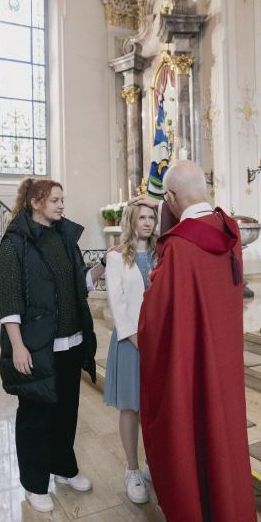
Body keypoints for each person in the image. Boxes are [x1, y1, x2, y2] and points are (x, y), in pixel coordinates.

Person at [137, 161, 257, 522]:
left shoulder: (181, 246)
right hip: (224, 364)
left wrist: (150, 292)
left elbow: (156, 320)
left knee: (190, 440)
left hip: (190, 366)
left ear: (170, 199)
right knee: (221, 442)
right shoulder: (230, 231)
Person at [0, 178, 106, 513]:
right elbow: (9, 299)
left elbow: (79, 284)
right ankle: (34, 484)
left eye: (62, 199)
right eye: (55, 200)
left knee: (66, 410)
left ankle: (63, 467)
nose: (61, 205)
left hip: (71, 342)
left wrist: (103, 265)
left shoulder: (64, 238)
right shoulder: (15, 243)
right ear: (36, 202)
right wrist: (18, 346)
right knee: (36, 415)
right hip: (36, 345)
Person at [104, 204, 157, 504]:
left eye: (151, 217)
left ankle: (151, 464)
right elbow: (118, 302)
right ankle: (132, 469)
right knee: (130, 406)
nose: (147, 223)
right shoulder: (117, 256)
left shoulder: (161, 254)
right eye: (141, 218)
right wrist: (138, 340)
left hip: (158, 339)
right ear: (131, 221)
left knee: (153, 406)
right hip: (130, 340)